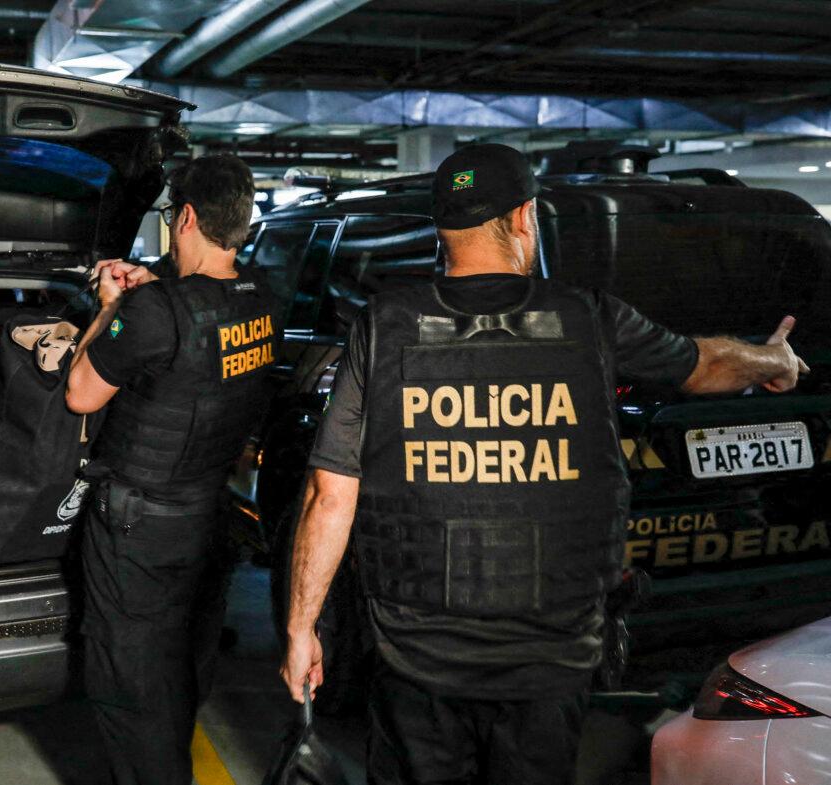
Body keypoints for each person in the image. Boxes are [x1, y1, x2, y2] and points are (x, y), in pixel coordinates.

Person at [280, 144, 810, 785]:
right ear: (524, 217)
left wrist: (302, 628)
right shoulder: (589, 318)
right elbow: (704, 364)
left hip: (417, 664)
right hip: (550, 665)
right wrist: (772, 361)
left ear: (440, 230)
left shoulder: (381, 327)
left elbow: (327, 494)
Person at [66, 154, 281, 785]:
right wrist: (149, 285)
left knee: (129, 686)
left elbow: (81, 392)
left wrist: (109, 305)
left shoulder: (157, 313)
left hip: (138, 530)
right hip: (207, 514)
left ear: (184, 216)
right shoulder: (261, 297)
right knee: (181, 668)